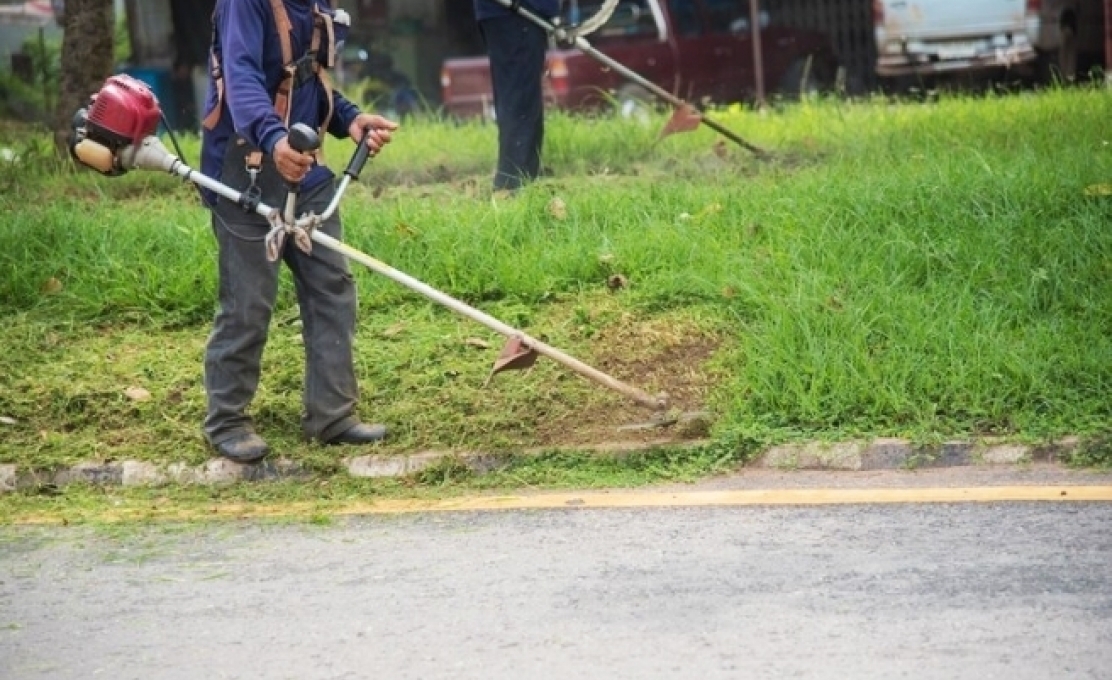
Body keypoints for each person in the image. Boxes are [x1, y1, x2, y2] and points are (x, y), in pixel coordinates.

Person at [199, 0, 398, 464]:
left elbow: (306, 77)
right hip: (246, 165)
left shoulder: (314, 4)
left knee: (332, 285)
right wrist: (274, 140)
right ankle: (226, 420)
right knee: (248, 301)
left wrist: (349, 119)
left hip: (304, 168)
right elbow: (243, 79)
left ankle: (332, 416)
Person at [473, 0, 559, 191]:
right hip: (516, 12)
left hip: (514, 13)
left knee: (522, 99)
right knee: (520, 101)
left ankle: (522, 182)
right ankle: (511, 186)